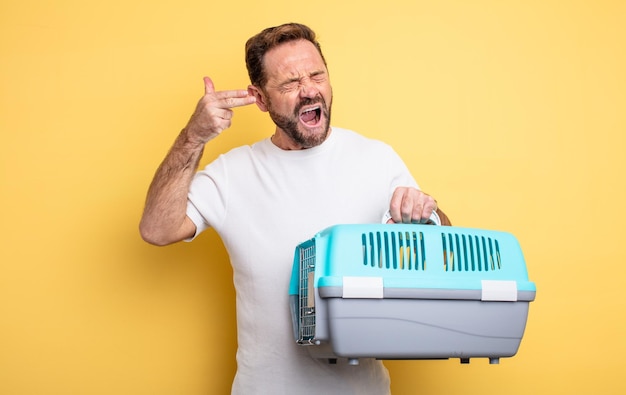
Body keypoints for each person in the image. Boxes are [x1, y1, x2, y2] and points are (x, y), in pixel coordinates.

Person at [140, 22, 451, 395]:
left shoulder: (376, 158)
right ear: (260, 98)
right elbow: (157, 229)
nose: (309, 91)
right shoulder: (233, 172)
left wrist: (428, 213)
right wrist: (194, 136)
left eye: (317, 75)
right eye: (289, 83)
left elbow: (443, 246)